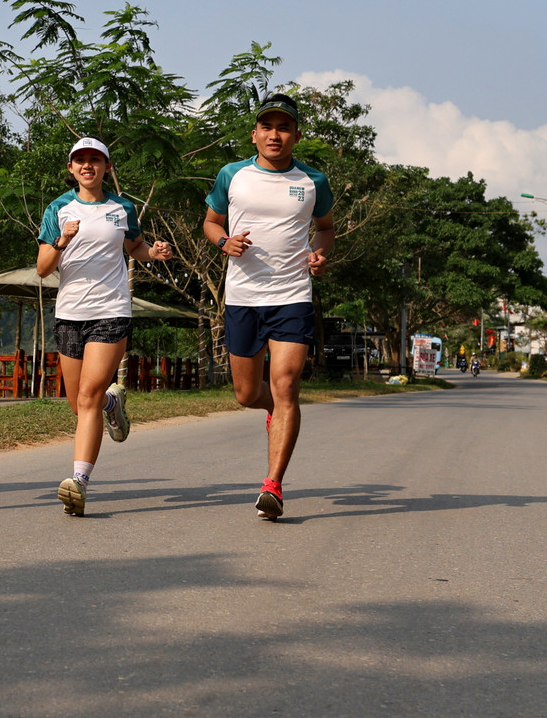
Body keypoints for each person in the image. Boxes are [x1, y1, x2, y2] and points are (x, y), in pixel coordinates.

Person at [203, 93, 334, 522]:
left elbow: (326, 229)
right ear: (255, 133)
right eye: (267, 127)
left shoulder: (313, 180)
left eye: (283, 127)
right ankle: (273, 414)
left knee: (287, 385)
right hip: (243, 296)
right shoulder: (232, 174)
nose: (274, 134)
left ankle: (273, 485)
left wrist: (318, 252)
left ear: (296, 135)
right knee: (246, 393)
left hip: (292, 295)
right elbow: (210, 221)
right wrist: (224, 242)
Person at [37, 137, 173, 516]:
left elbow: (135, 249)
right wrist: (62, 240)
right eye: (80, 160)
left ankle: (78, 481)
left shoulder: (122, 207)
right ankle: (115, 403)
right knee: (79, 404)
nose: (87, 166)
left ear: (106, 167)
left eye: (95, 160)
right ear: (71, 168)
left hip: (111, 310)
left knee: (88, 398)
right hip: (70, 313)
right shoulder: (58, 209)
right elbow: (43, 267)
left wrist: (154, 253)